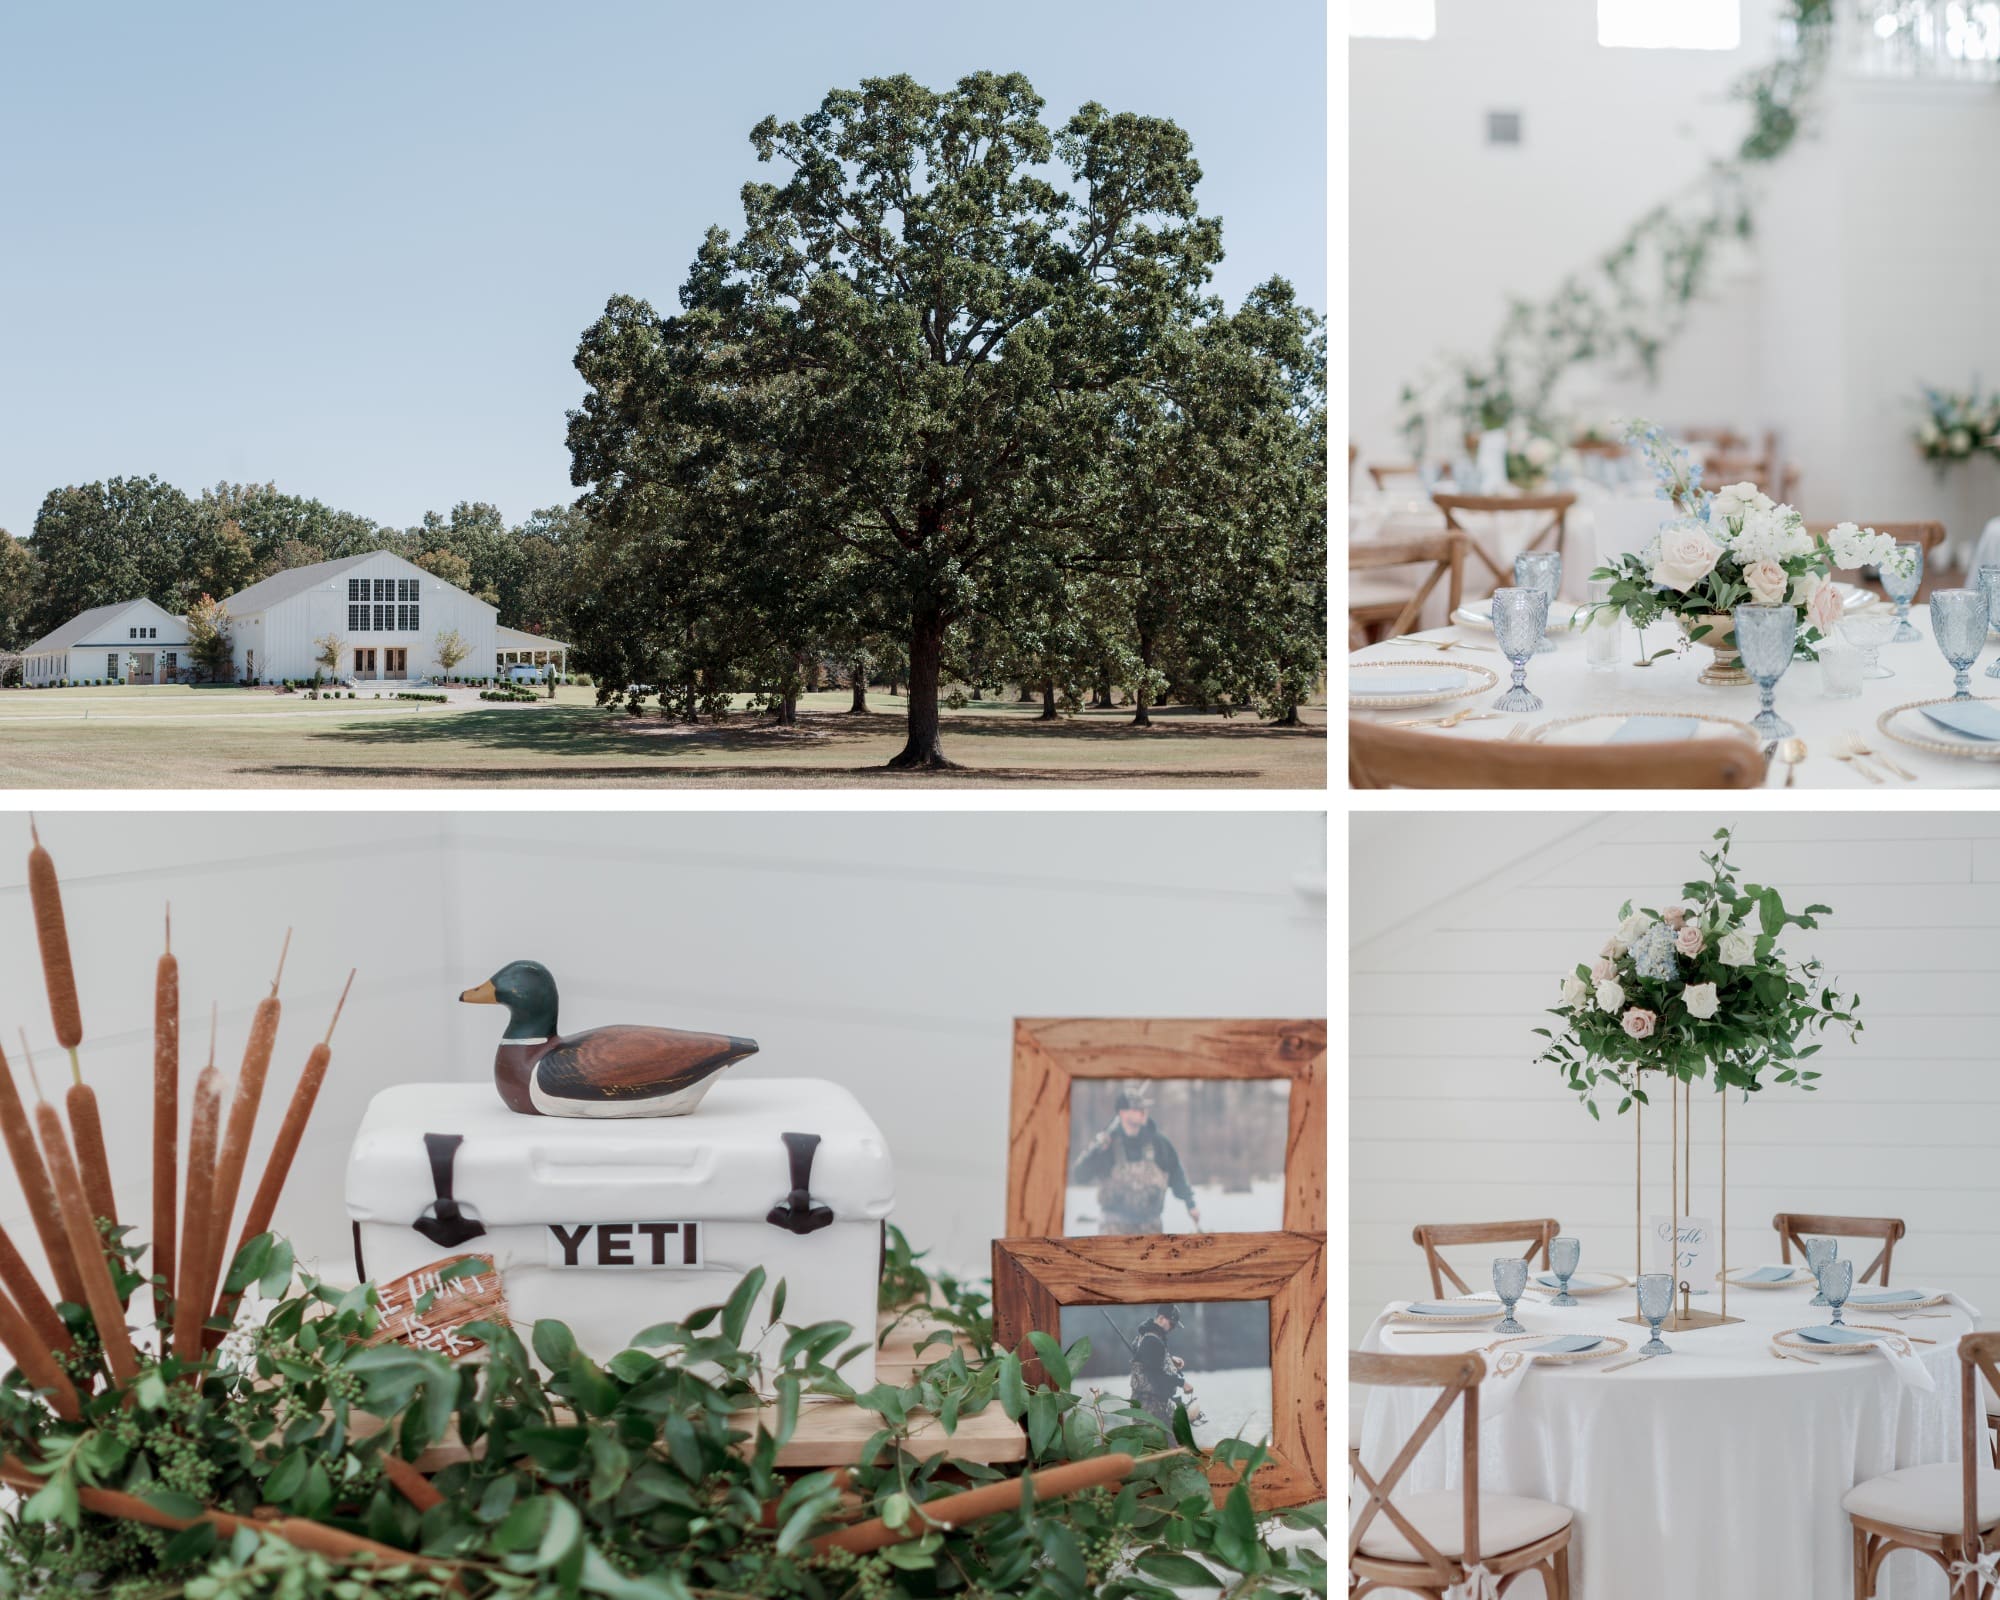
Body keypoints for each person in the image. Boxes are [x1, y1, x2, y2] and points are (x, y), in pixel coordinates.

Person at [1069, 1087, 1203, 1234]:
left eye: (1144, 1108)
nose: (1143, 1112)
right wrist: (1095, 1150)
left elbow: (1176, 1173)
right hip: (1113, 1229)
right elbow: (1080, 1176)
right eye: (1137, 1109)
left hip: (1150, 1228)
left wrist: (1191, 1204)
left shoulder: (1159, 1142)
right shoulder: (1107, 1144)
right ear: (1122, 1113)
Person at [1128, 1305, 1191, 1426]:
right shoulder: (1152, 1341)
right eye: (1171, 1324)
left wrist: (1170, 1360)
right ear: (1161, 1318)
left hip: (1147, 1404)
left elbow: (1147, 1360)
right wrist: (1182, 1383)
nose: (1172, 1328)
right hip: (1150, 1407)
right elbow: (1155, 1375)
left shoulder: (1145, 1336)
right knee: (1165, 1443)